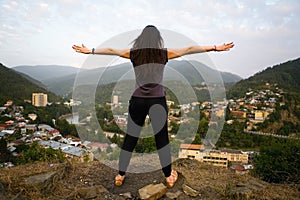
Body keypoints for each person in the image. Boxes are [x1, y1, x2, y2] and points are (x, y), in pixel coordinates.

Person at [72, 25, 234, 188]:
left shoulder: (134, 54)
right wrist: (215, 48)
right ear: (158, 40)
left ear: (141, 39)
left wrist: (90, 51)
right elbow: (190, 48)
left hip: (137, 101)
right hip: (157, 101)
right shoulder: (163, 53)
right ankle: (169, 176)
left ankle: (120, 175)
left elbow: (111, 49)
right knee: (161, 139)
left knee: (131, 138)